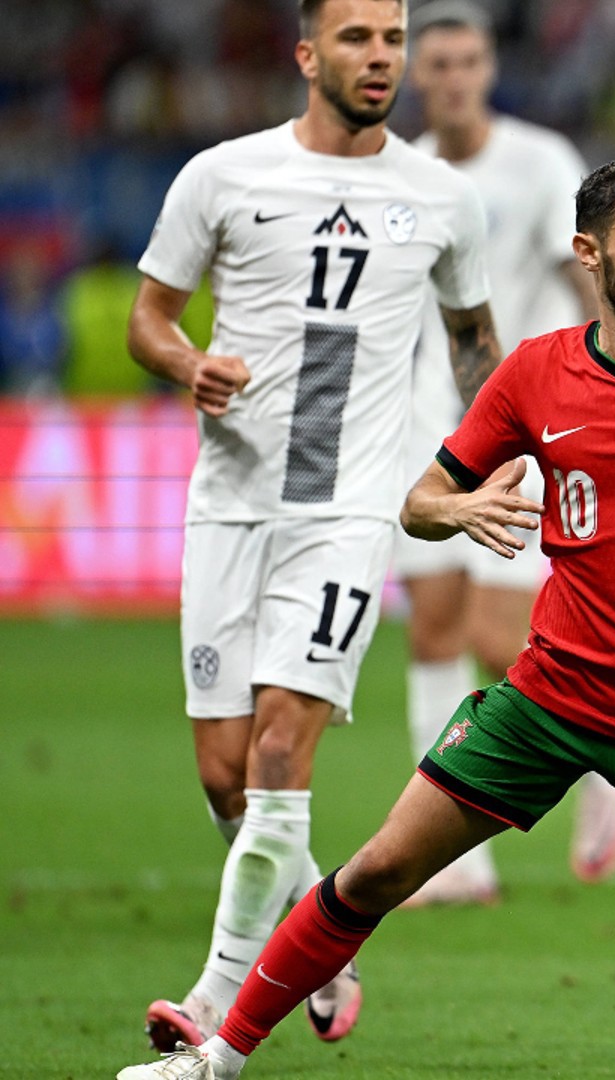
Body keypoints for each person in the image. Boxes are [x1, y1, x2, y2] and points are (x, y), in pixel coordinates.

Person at [115, 155, 615, 1080]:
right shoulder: (535, 375)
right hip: (550, 694)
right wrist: (461, 508)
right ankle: (217, 1059)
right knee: (376, 872)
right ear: (589, 253)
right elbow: (423, 499)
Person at [125, 0, 499, 1054]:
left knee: (282, 752)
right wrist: (187, 361)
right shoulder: (224, 176)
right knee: (223, 772)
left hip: (348, 513)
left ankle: (209, 1015)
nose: (380, 58)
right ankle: (318, 953)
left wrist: (509, 452)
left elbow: (477, 344)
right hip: (229, 507)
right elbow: (146, 318)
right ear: (307, 54)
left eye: (392, 40)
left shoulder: (441, 200)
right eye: (358, 39)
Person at [392, 0, 615, 908]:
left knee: (500, 638)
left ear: (489, 69)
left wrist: (612, 373)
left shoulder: (539, 163)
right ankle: (456, 863)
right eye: (437, 64)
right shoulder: (401, 173)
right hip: (427, 427)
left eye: (467, 62)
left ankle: (602, 764)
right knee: (431, 629)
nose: (452, 78)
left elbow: (585, 272)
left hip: (527, 426)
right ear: (421, 75)